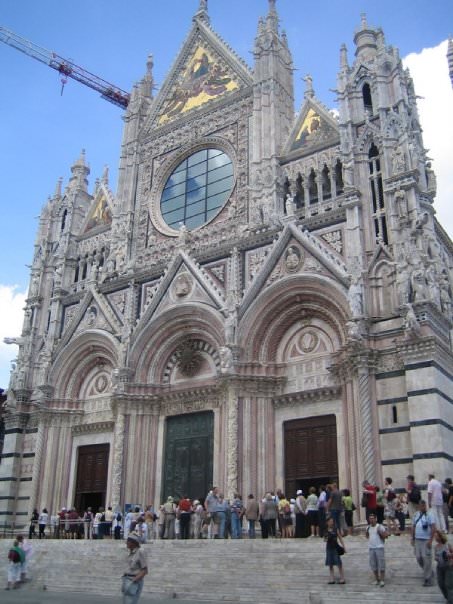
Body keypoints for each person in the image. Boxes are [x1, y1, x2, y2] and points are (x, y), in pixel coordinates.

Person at [412, 499, 436, 586]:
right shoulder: (416, 515)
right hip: (418, 539)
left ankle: (428, 579)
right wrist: (412, 538)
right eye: (421, 506)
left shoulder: (430, 515)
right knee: (419, 558)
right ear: (419, 506)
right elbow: (413, 526)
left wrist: (430, 540)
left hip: (426, 540)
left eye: (424, 505)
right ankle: (429, 571)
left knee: (427, 558)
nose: (423, 507)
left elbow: (433, 527)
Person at [121, 534, 148, 604]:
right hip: (126, 579)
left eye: (128, 541)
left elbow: (144, 570)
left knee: (130, 601)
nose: (126, 543)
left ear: (133, 543)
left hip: (133, 581)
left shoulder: (140, 552)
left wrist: (133, 581)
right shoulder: (131, 552)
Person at [366, 512, 388, 587]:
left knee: (381, 564)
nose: (371, 520)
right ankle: (376, 579)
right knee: (373, 564)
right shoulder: (368, 527)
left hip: (379, 547)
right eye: (370, 518)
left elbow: (386, 535)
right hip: (371, 548)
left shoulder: (380, 527)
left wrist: (380, 533)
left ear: (376, 519)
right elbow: (367, 536)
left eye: (373, 518)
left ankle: (382, 579)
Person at [324, 516, 346, 584]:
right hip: (329, 548)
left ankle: (342, 577)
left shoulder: (335, 529)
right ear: (327, 522)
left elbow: (340, 538)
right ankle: (332, 578)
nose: (331, 523)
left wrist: (344, 546)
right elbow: (325, 540)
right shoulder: (325, 530)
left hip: (335, 547)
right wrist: (327, 537)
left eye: (332, 521)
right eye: (330, 521)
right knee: (330, 563)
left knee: (338, 563)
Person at [433, 529, 453, 602]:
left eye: (436, 536)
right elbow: (435, 557)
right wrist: (436, 558)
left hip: (448, 566)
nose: (435, 538)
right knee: (441, 584)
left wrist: (449, 555)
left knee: (449, 585)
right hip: (440, 567)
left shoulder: (447, 545)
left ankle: (450, 600)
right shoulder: (436, 547)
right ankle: (448, 598)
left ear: (440, 537)